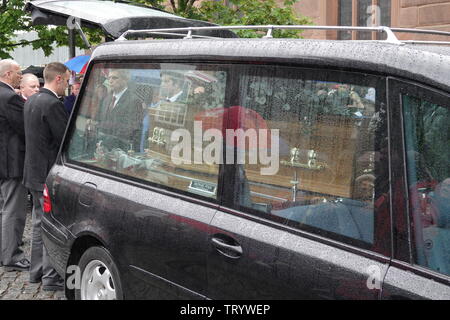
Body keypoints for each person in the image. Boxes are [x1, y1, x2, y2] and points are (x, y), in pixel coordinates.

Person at [23, 62, 71, 291]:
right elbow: (64, 140)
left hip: (32, 171)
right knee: (50, 226)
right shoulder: (52, 104)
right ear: (59, 78)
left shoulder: (31, 99)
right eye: (68, 79)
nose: (68, 85)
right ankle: (51, 278)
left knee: (38, 225)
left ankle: (37, 273)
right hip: (46, 174)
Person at [0, 59, 30, 272]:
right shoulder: (10, 97)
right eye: (19, 73)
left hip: (3, 161)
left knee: (4, 209)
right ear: (8, 74)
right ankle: (11, 255)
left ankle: (5, 251)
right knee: (13, 210)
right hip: (12, 163)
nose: (21, 76)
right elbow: (24, 128)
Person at [97, 69, 143, 152]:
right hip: (104, 150)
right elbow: (102, 123)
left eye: (114, 78)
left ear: (125, 80)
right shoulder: (107, 99)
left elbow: (131, 130)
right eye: (109, 78)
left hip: (122, 151)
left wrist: (107, 142)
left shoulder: (134, 101)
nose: (110, 81)